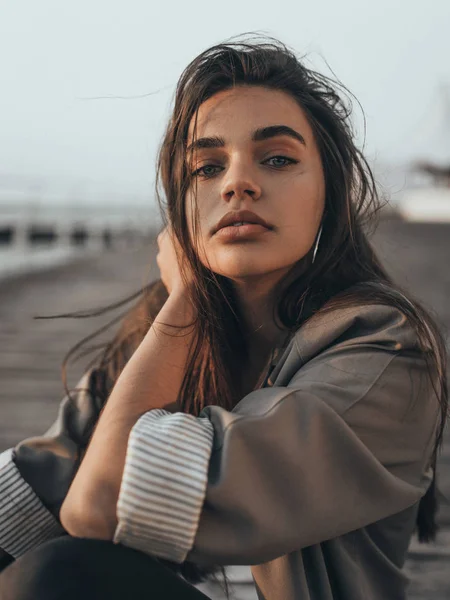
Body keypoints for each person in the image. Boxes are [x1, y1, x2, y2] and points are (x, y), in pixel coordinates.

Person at [0, 36, 448, 600]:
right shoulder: (155, 339)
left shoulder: (385, 354)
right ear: (181, 204)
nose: (237, 183)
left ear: (332, 195)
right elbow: (37, 489)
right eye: (207, 168)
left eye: (278, 159)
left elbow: (98, 505)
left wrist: (185, 296)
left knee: (60, 577)